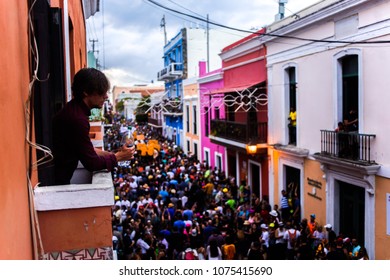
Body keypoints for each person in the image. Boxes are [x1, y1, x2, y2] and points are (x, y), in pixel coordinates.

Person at [52, 68, 135, 185]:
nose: (106, 96)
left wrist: (112, 154)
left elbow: (85, 149)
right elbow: (92, 163)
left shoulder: (73, 111)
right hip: (56, 181)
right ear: (86, 92)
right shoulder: (77, 119)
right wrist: (118, 157)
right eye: (102, 92)